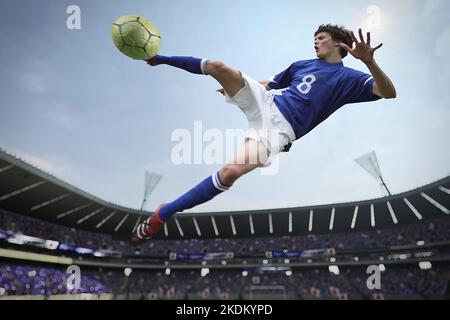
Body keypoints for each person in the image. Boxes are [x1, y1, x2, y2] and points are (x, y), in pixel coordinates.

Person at [131, 24, 397, 245]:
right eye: (314, 39)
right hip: (266, 102)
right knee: (217, 67)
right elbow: (269, 84)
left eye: (321, 38)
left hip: (280, 131)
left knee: (230, 173)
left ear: (340, 44)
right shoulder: (301, 64)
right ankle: (159, 59)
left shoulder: (349, 78)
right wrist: (234, 86)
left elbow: (388, 92)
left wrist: (370, 62)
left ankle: (164, 213)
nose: (315, 43)